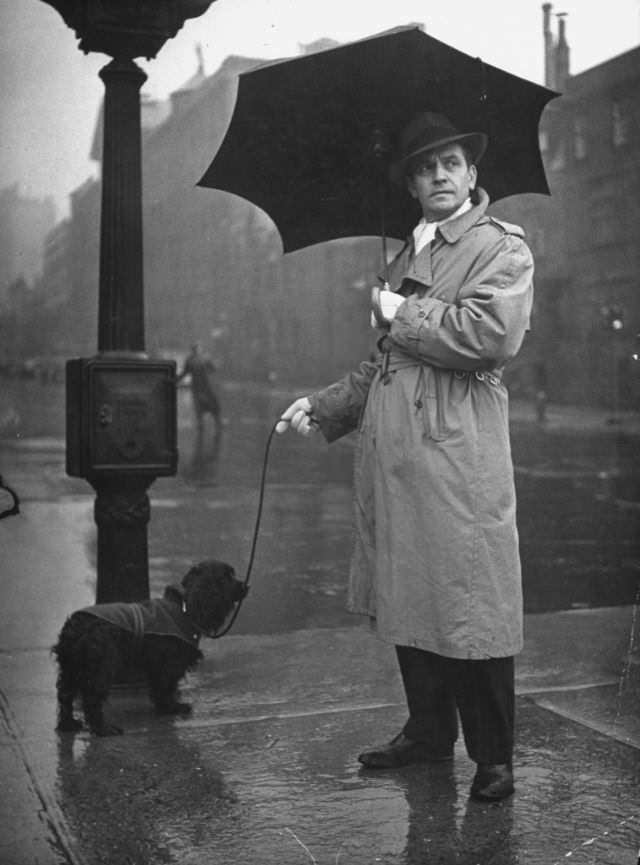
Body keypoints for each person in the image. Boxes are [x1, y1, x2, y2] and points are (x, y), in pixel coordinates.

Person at [276, 112, 534, 802]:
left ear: (472, 174)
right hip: (396, 459)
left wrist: (401, 311)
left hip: (456, 458)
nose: (440, 176)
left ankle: (494, 756)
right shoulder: (404, 256)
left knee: (469, 602)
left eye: (451, 163)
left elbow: (489, 336)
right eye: (425, 168)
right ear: (412, 185)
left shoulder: (498, 246)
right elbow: (380, 365)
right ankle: (427, 732)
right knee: (411, 596)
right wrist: (327, 405)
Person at [177, 342, 222, 446]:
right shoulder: (204, 358)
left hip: (200, 387)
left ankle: (204, 424)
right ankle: (214, 423)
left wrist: (175, 380)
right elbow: (213, 369)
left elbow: (184, 373)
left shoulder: (192, 359)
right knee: (210, 405)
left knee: (202, 406)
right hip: (205, 386)